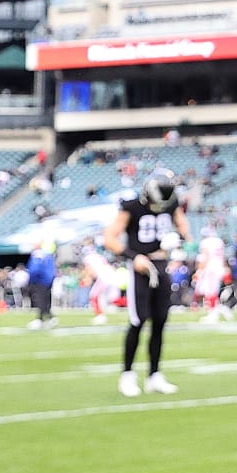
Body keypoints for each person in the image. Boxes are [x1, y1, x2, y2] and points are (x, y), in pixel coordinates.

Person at [103, 166, 188, 397]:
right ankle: (127, 375)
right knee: (138, 320)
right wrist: (133, 256)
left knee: (160, 321)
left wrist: (177, 238)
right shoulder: (131, 206)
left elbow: (185, 229)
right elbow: (109, 238)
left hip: (161, 266)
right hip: (139, 267)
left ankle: (154, 375)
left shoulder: (171, 203)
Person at [25, 240, 58, 330]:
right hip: (48, 279)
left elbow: (34, 269)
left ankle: (40, 320)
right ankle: (49, 318)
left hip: (40, 280)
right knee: (45, 300)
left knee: (40, 300)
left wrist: (30, 280)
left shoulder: (38, 254)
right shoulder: (48, 255)